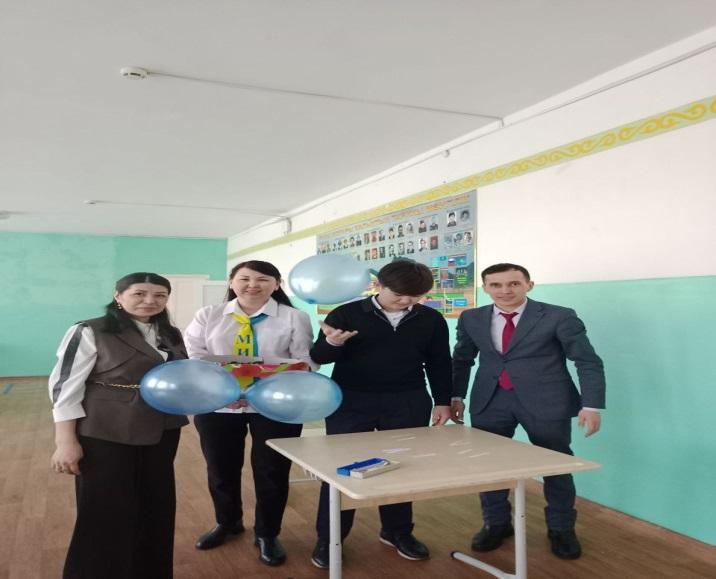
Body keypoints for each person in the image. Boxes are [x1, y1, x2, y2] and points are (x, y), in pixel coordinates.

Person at [451, 263, 605, 560]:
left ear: (528, 285)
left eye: (513, 283)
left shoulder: (559, 316)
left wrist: (591, 405)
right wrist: (456, 395)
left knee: (556, 465)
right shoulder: (471, 318)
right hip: (490, 400)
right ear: (485, 288)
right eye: (496, 285)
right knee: (489, 465)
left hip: (546, 400)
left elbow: (587, 361)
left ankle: (561, 528)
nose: (505, 291)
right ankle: (496, 523)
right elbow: (461, 359)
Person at [309, 260, 453, 569]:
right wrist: (332, 343)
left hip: (408, 401)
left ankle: (397, 532)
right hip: (351, 401)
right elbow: (318, 356)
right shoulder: (346, 314)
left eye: (415, 296)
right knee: (341, 469)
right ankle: (330, 538)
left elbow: (440, 362)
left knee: (401, 467)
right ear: (379, 286)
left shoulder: (430, 318)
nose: (406, 301)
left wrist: (443, 400)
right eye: (399, 294)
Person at [49, 272, 189, 579]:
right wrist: (65, 441)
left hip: (163, 428)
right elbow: (64, 387)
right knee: (103, 507)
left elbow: (181, 376)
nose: (150, 301)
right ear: (118, 296)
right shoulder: (90, 330)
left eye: (160, 295)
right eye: (139, 293)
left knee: (156, 505)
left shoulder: (171, 333)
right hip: (105, 429)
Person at [185, 260, 316, 567]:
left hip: (275, 404)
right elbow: (194, 357)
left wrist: (268, 379)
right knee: (221, 468)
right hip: (218, 404)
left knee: (272, 470)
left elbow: (306, 361)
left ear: (276, 284)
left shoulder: (294, 317)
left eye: (262, 279)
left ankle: (267, 533)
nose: (252, 285)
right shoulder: (209, 315)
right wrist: (226, 389)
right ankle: (227, 522)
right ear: (231, 282)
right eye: (244, 278)